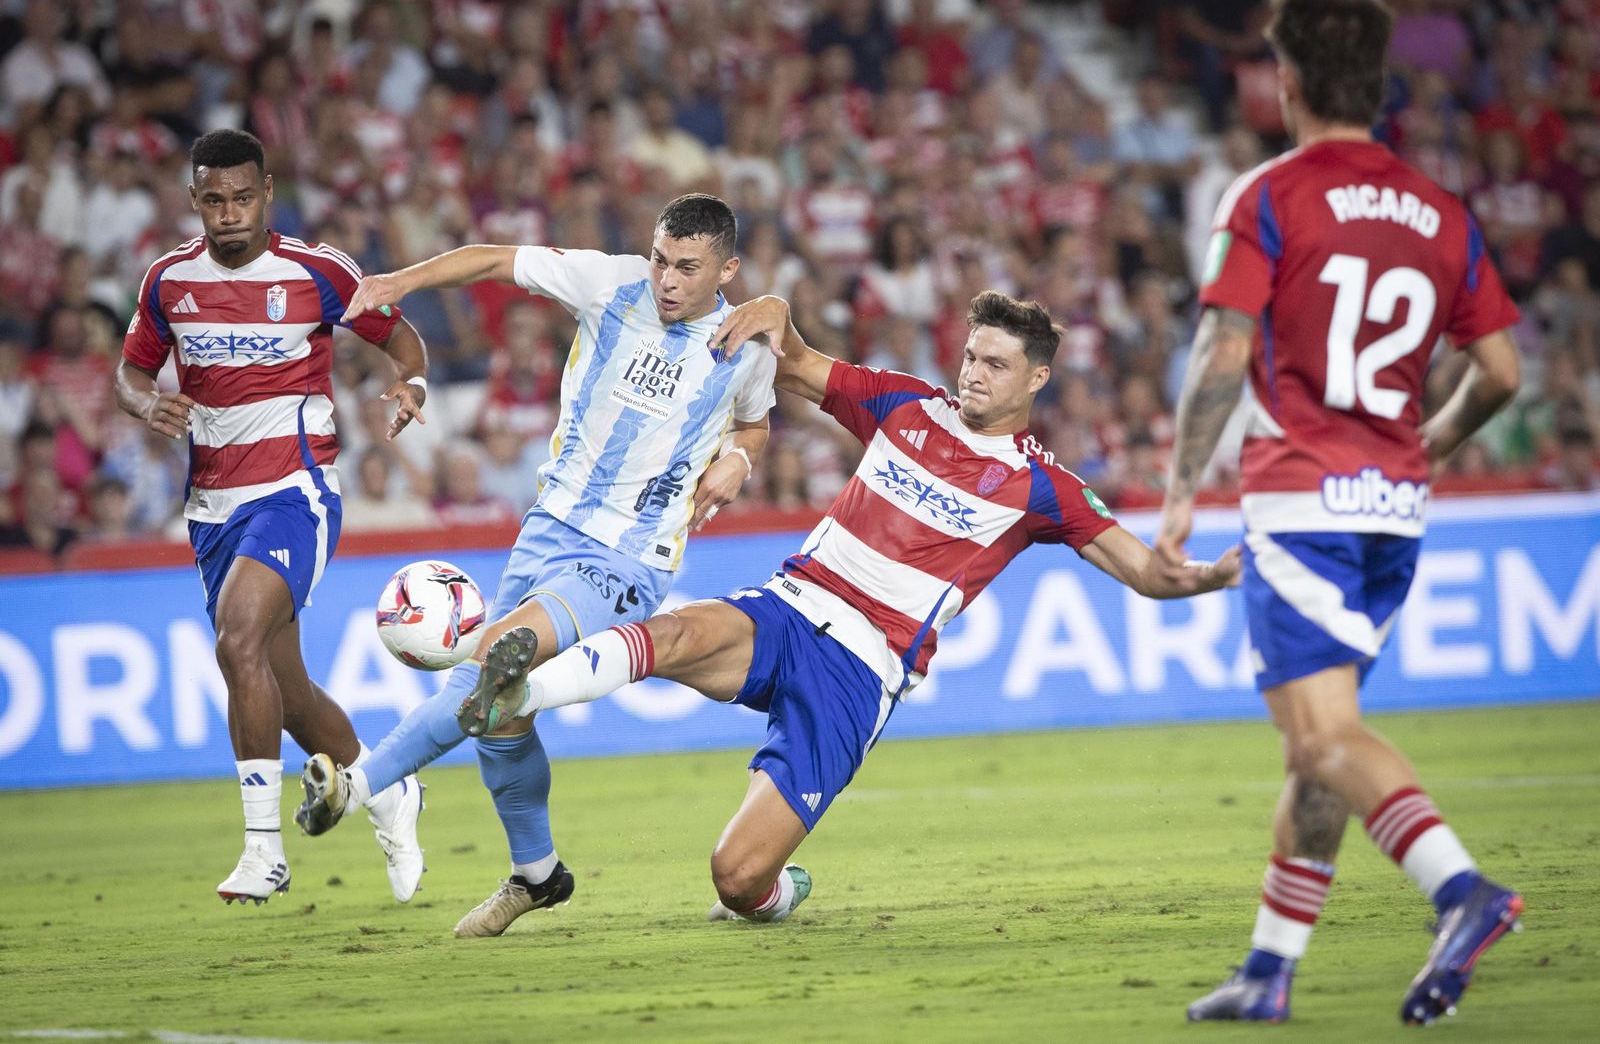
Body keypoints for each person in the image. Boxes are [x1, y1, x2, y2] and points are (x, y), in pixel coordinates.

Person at [451, 289, 1241, 926]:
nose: (973, 374)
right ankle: (518, 690)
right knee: (679, 631)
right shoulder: (903, 405)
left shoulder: (1043, 487)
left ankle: (779, 894)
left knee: (736, 878)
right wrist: (775, 312)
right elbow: (793, 366)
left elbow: (1146, 573)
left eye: (996, 365)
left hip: (861, 669)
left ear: (1036, 379)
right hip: (793, 605)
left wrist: (1211, 575)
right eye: (970, 355)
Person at [1152, 0, 1525, 1027]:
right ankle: (1269, 971)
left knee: (1321, 739)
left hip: (1302, 498)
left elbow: (1223, 351)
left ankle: (1462, 890)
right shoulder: (1441, 211)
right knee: (1317, 739)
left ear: (1288, 82)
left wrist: (1180, 495)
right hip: (1391, 512)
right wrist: (1429, 444)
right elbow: (1499, 369)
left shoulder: (1268, 193)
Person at [295, 194, 777, 938]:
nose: (666, 280)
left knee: (491, 665)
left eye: (687, 267)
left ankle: (357, 787)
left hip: (629, 556)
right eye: (659, 259)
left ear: (727, 269)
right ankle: (537, 875)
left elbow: (755, 419)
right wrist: (399, 283)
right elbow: (494, 257)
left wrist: (740, 458)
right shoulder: (609, 282)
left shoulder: (743, 344)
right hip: (547, 529)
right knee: (491, 712)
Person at [111, 129, 430, 906]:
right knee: (282, 692)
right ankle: (389, 791)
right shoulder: (167, 281)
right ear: (194, 201)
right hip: (211, 507)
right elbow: (129, 370)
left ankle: (263, 852)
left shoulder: (318, 271)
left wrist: (411, 385)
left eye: (243, 197)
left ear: (267, 193)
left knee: (237, 638)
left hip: (297, 488)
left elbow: (402, 338)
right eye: (213, 200)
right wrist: (145, 401)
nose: (229, 214)